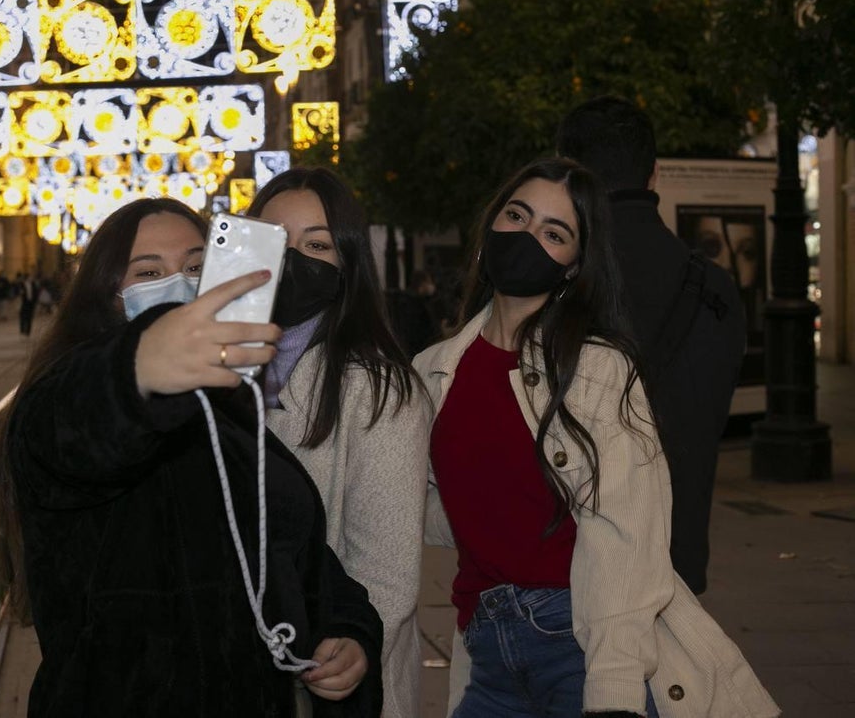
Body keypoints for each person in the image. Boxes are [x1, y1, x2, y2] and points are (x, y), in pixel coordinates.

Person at [0, 198, 383, 717]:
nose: (178, 283)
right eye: (148, 272)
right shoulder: (66, 396)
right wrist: (138, 367)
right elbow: (72, 428)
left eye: (197, 267)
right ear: (105, 294)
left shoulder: (229, 412)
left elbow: (296, 553)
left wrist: (348, 632)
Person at [415, 158, 777, 718]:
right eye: (518, 215)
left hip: (577, 643)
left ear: (573, 268)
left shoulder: (596, 368)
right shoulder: (433, 370)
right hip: (486, 649)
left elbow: (624, 535)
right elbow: (437, 510)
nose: (527, 236)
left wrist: (613, 691)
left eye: (554, 233)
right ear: (492, 224)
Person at [246, 167, 430, 717]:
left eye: (317, 245)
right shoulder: (214, 371)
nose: (294, 260)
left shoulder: (378, 389)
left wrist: (348, 647)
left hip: (327, 679)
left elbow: (386, 574)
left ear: (347, 261)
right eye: (277, 241)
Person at [556, 96, 747, 595]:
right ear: (654, 173)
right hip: (675, 567)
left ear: (567, 177)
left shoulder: (556, 284)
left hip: (569, 575)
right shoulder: (716, 289)